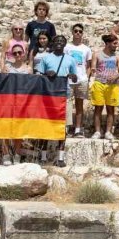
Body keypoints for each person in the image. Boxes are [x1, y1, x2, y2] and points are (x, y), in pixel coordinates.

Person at [38, 35, 78, 167]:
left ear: (65, 44)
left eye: (62, 41)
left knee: (62, 128)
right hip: (48, 97)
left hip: (64, 96)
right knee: (44, 126)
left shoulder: (71, 59)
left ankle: (60, 158)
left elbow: (75, 78)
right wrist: (46, 73)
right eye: (57, 41)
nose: (59, 43)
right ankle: (43, 157)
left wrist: (73, 76)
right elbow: (38, 76)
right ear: (53, 43)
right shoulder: (45, 58)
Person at [89, 34, 119, 140]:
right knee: (98, 108)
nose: (116, 45)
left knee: (110, 109)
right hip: (99, 83)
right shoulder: (97, 54)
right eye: (114, 43)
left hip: (112, 85)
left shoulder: (117, 56)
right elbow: (93, 67)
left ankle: (108, 132)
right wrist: (94, 71)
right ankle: (97, 131)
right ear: (107, 43)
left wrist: (115, 76)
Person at [1, 44, 30, 165]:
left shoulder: (28, 69)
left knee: (19, 129)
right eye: (15, 53)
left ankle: (17, 155)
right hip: (8, 101)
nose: (17, 55)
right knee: (5, 128)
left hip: (22, 102)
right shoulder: (7, 67)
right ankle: (6, 155)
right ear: (12, 55)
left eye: (19, 52)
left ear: (23, 53)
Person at [63, 23, 92, 137]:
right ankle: (66, 127)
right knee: (67, 105)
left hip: (81, 79)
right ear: (72, 32)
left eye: (80, 31)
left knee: (79, 105)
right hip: (69, 80)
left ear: (82, 33)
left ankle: (78, 129)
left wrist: (87, 77)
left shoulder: (86, 49)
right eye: (76, 31)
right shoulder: (67, 47)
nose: (78, 33)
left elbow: (88, 65)